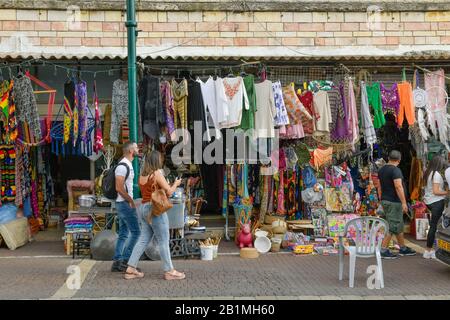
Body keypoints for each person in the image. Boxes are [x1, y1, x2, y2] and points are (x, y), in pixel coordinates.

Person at [124, 150, 185, 280]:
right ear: (156, 161)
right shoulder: (156, 173)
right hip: (155, 209)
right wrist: (176, 184)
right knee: (163, 240)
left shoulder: (142, 176)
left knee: (143, 239)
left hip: (144, 208)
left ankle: (131, 268)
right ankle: (169, 271)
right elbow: (168, 192)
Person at [378, 150, 416, 259]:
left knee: (398, 225)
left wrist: (381, 199)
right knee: (392, 226)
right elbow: (398, 186)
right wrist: (404, 202)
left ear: (388, 158)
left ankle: (403, 248)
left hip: (385, 200)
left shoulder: (382, 170)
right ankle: (383, 250)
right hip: (394, 202)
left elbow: (379, 186)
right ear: (399, 160)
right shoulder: (396, 171)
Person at [111, 141, 141, 272]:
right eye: (136, 148)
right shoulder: (123, 166)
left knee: (123, 233)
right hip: (124, 204)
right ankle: (125, 260)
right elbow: (119, 187)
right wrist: (130, 200)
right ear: (130, 151)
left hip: (123, 203)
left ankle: (117, 261)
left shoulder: (127, 164)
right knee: (136, 232)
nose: (138, 149)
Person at [423, 155, 448, 259]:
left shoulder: (428, 172)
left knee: (433, 226)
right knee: (434, 226)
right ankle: (428, 250)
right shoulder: (436, 174)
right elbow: (436, 191)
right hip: (436, 201)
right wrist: (447, 192)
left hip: (429, 201)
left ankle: (430, 250)